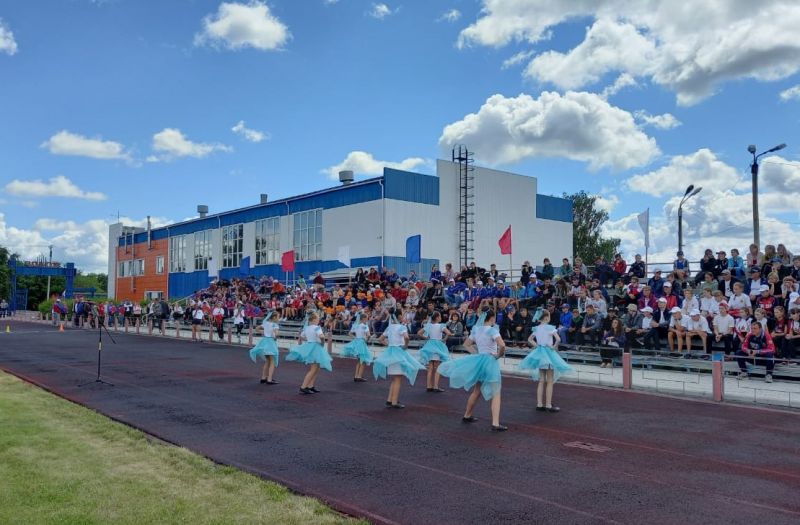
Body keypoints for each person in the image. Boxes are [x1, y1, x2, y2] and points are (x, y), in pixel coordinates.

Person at [438, 309, 507, 431]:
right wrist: (498, 355)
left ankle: (467, 415)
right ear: (492, 318)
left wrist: (476, 354)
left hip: (480, 361)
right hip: (490, 362)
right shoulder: (493, 330)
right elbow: (502, 345)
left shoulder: (476, 330)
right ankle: (495, 423)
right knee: (496, 393)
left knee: (476, 391)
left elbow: (466, 344)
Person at [520, 310, 573, 412]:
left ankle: (539, 404)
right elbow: (558, 339)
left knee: (541, 380)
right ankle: (548, 405)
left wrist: (537, 346)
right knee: (549, 380)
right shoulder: (550, 328)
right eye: (548, 316)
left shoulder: (537, 328)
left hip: (540, 353)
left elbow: (530, 339)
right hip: (548, 354)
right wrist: (553, 347)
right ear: (546, 318)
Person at [374, 309, 424, 409]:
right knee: (398, 378)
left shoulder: (389, 327)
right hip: (399, 353)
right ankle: (394, 401)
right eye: (402, 314)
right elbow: (407, 337)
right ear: (399, 316)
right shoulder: (402, 327)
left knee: (394, 378)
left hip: (391, 353)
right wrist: (405, 345)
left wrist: (389, 345)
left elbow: (380, 339)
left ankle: (390, 400)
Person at [286, 313, 332, 394]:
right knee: (313, 369)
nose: (319, 320)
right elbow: (322, 336)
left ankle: (311, 386)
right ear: (314, 319)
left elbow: (301, 336)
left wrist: (309, 340)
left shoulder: (307, 328)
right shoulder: (317, 327)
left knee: (316, 368)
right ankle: (303, 387)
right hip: (316, 348)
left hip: (310, 347)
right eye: (318, 319)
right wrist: (322, 343)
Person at [417, 311, 453, 392]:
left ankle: (429, 386)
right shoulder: (441, 326)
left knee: (430, 367)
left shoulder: (428, 326)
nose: (440, 318)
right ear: (437, 318)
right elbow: (448, 333)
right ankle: (436, 386)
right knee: (437, 367)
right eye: (440, 316)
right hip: (437, 345)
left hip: (430, 345)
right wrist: (444, 339)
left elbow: (419, 333)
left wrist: (426, 338)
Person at [249, 311, 280, 385]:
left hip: (264, 342)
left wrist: (263, 332)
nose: (279, 318)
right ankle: (269, 379)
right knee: (272, 361)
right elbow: (276, 334)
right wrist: (275, 336)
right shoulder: (275, 325)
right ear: (274, 317)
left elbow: (257, 328)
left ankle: (263, 378)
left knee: (267, 361)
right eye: (278, 317)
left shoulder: (266, 323)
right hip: (270, 343)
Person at [342, 313, 373, 382]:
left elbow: (350, 333)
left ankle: (356, 376)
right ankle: (359, 376)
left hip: (356, 342)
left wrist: (355, 338)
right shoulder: (365, 326)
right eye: (367, 318)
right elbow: (368, 335)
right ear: (363, 319)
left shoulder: (355, 325)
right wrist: (367, 340)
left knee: (359, 360)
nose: (367, 320)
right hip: (362, 343)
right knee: (363, 360)